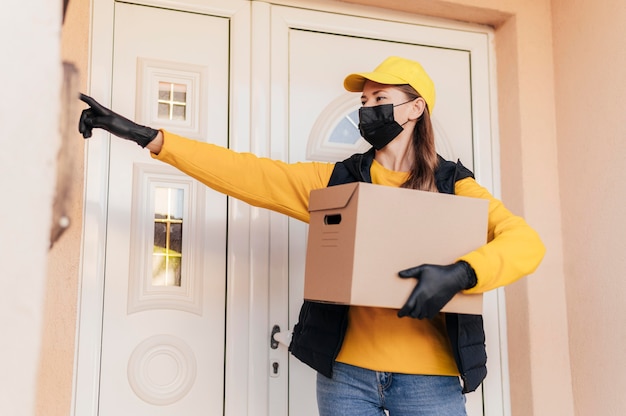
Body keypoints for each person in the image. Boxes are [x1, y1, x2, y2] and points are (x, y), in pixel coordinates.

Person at [79, 56, 545, 416]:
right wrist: (145, 136)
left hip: (431, 379)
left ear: (415, 108)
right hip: (346, 376)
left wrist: (460, 274)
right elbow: (247, 173)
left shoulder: (455, 185)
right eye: (363, 103)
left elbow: (526, 242)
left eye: (379, 99)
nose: (367, 110)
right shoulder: (338, 181)